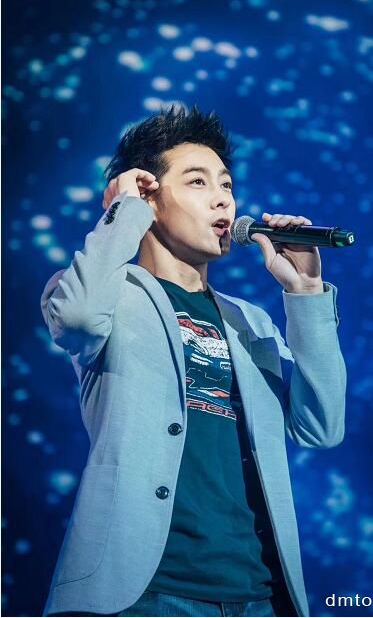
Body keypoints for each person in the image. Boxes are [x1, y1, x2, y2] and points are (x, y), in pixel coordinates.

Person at [41, 104, 347, 618]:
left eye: (226, 184)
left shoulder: (250, 320)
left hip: (259, 592)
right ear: (148, 196)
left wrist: (306, 293)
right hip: (144, 591)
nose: (223, 198)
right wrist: (123, 212)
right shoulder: (110, 292)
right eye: (198, 182)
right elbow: (76, 318)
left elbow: (321, 427)